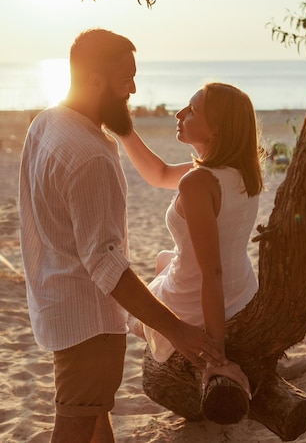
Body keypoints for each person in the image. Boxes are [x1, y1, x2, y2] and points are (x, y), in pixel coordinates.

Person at [19, 29, 224, 443]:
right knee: (74, 427)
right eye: (125, 79)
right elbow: (106, 265)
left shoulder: (46, 123)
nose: (133, 88)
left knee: (95, 419)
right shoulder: (90, 156)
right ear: (95, 80)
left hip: (55, 306)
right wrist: (176, 330)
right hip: (88, 327)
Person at [119, 81, 263, 398]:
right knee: (162, 258)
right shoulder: (241, 169)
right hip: (242, 290)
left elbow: (211, 274)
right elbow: (159, 174)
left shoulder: (199, 183)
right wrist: (125, 130)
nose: (179, 114)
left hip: (207, 297)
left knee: (132, 315)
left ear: (216, 130)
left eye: (192, 110)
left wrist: (216, 354)